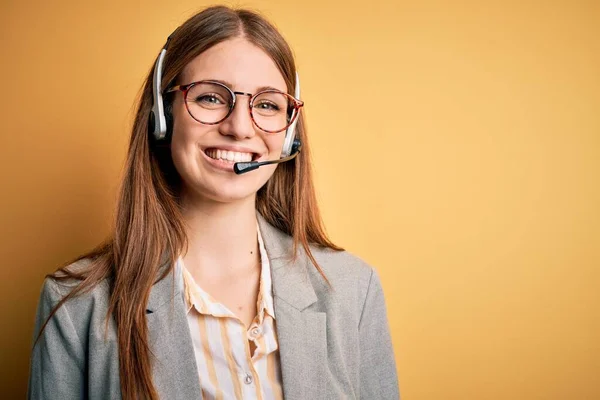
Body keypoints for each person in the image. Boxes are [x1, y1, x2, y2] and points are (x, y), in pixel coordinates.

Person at [27, 5, 399, 400]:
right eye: (210, 98)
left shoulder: (354, 290)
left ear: (289, 133)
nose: (239, 127)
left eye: (267, 104)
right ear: (163, 116)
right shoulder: (76, 305)